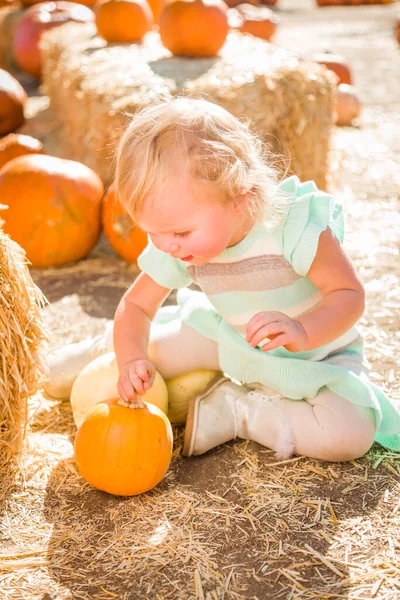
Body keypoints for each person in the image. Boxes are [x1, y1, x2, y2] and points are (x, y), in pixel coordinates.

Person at [46, 97, 400, 461]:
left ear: (239, 199)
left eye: (180, 233)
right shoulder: (182, 243)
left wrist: (304, 329)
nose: (167, 245)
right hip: (230, 338)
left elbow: (348, 294)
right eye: (153, 233)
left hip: (318, 358)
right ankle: (89, 356)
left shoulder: (292, 224)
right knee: (149, 349)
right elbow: (136, 306)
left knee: (348, 435)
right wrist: (132, 358)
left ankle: (238, 412)